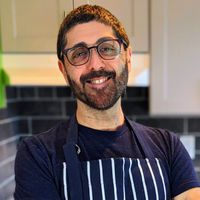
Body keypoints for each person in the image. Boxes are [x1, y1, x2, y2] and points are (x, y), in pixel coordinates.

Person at [14, 4, 200, 200]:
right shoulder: (38, 154)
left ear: (128, 58)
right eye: (79, 53)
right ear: (63, 70)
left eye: (107, 48)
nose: (95, 65)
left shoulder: (168, 145)